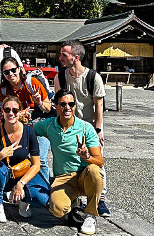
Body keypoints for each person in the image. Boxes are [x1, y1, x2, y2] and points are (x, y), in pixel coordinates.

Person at [34, 89, 104, 235]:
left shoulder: (85, 128)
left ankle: (91, 214)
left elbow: (99, 161)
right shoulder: (48, 125)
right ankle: (72, 203)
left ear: (75, 106)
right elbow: (29, 130)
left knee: (95, 171)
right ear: (56, 106)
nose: (67, 107)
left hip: (84, 176)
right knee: (56, 209)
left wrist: (86, 157)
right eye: (63, 104)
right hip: (63, 179)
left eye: (71, 104)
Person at [56, 40, 110, 217]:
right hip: (70, 126)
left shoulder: (93, 77)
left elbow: (99, 105)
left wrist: (98, 129)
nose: (60, 58)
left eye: (64, 55)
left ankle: (99, 199)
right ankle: (74, 193)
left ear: (76, 57)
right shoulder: (61, 77)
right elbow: (58, 102)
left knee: (95, 161)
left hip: (89, 126)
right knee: (71, 159)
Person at [0, 95, 50, 223]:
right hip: (1, 174)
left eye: (15, 110)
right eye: (7, 110)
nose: (11, 113)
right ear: (2, 111)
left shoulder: (28, 131)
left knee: (42, 198)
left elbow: (36, 165)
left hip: (20, 173)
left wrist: (21, 183)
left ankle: (22, 199)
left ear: (20, 112)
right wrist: (1, 155)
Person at [0, 56, 53, 184]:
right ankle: (23, 186)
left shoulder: (32, 83)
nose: (11, 74)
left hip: (39, 123)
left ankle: (45, 189)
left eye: (13, 70)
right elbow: (5, 111)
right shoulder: (3, 89)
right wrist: (20, 114)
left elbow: (48, 108)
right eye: (6, 72)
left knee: (41, 159)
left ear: (19, 69)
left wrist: (39, 103)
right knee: (17, 158)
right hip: (20, 126)